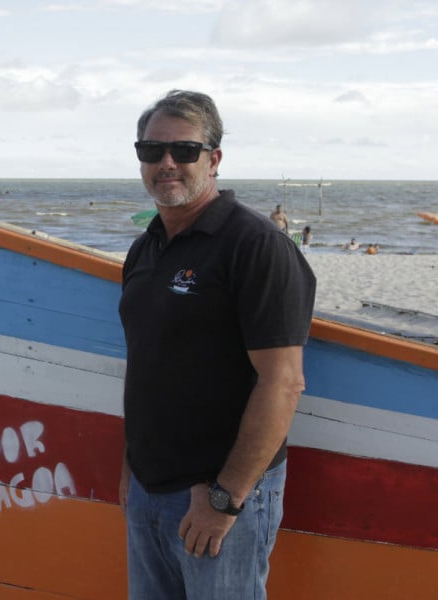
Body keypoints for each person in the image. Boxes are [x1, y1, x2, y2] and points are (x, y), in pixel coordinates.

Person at [119, 89, 316, 600]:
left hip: (220, 495)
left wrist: (225, 499)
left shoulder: (254, 246)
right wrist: (131, 470)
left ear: (214, 159)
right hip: (148, 489)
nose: (167, 163)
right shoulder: (145, 249)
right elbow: (146, 363)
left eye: (184, 151)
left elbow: (284, 381)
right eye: (152, 151)